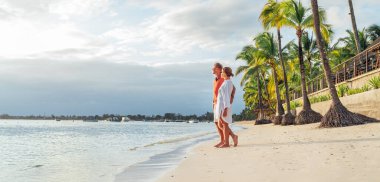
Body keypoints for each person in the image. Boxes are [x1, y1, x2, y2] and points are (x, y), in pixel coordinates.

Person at [212, 63, 237, 147]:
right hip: (218, 104)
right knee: (219, 123)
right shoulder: (223, 81)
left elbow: (227, 95)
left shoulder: (226, 82)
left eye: (222, 71)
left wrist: (227, 106)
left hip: (223, 105)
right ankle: (227, 139)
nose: (221, 73)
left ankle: (226, 142)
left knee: (224, 123)